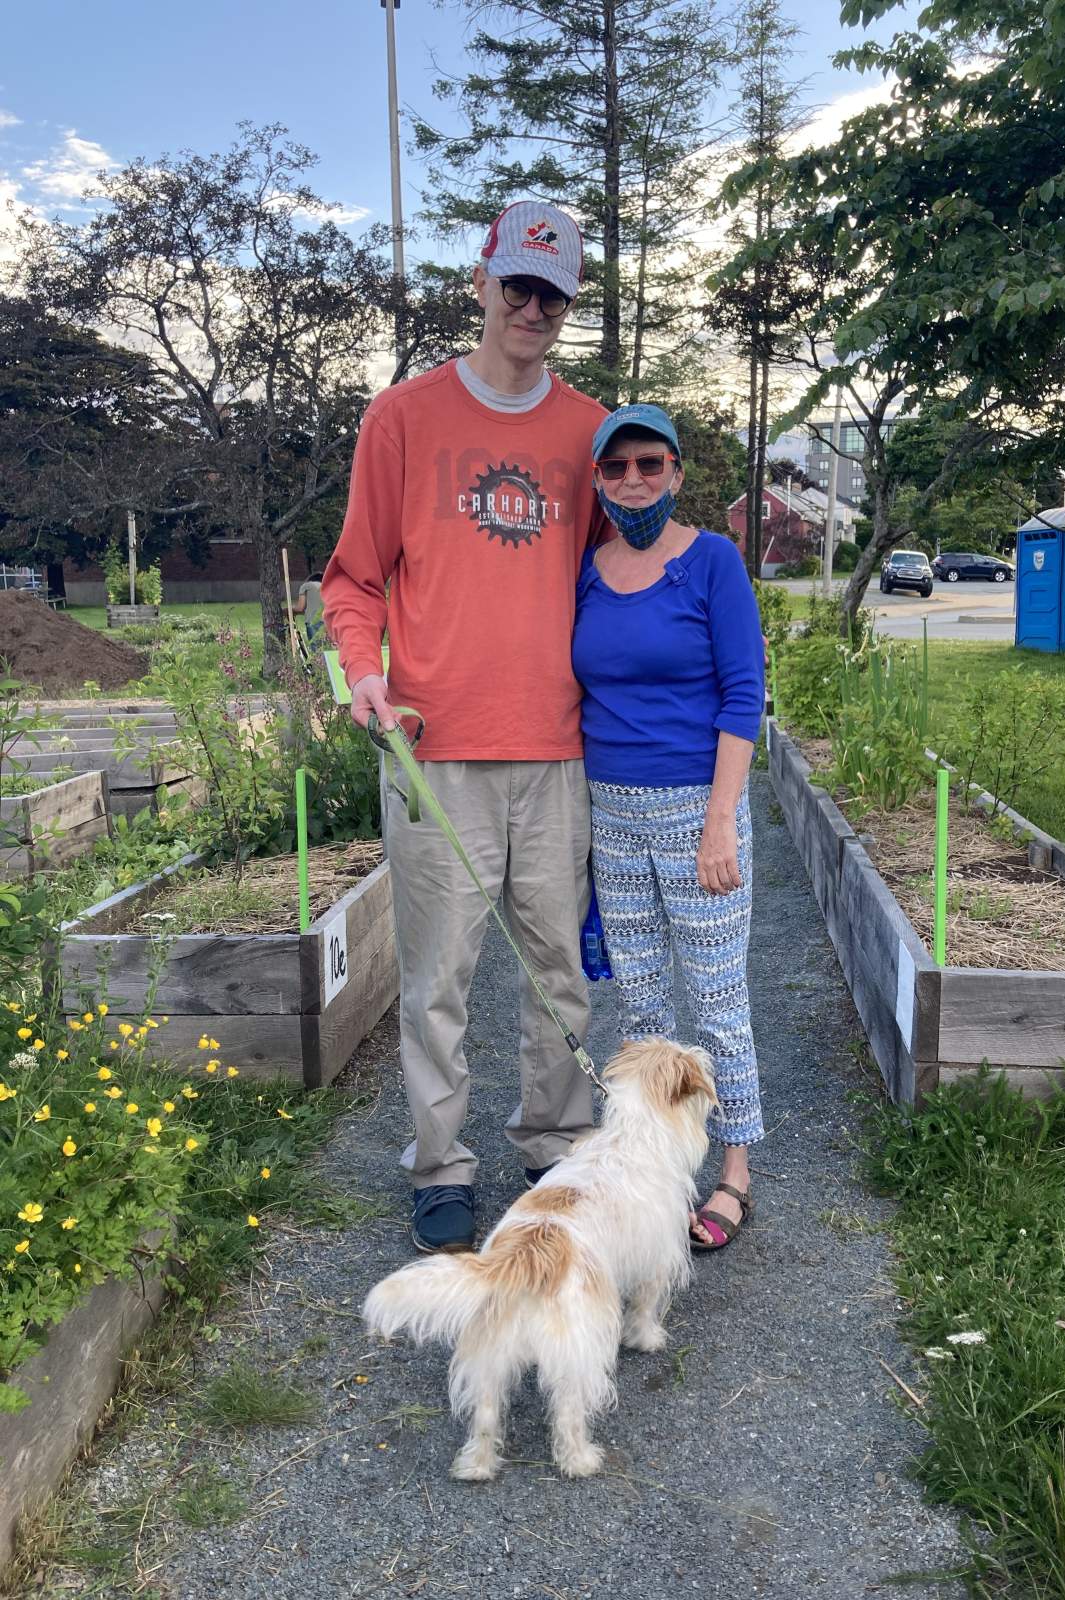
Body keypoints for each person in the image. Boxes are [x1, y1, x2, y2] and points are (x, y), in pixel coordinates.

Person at [322, 202, 607, 1255]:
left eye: (553, 294)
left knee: (557, 970)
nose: (532, 308)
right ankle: (440, 1164)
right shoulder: (402, 418)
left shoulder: (589, 432)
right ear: (481, 282)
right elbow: (354, 577)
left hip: (559, 749)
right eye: (517, 285)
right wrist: (364, 671)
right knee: (438, 977)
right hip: (434, 746)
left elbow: (616, 577)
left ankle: (556, 1144)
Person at [571, 403, 766, 1251]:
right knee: (642, 1004)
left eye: (650, 464)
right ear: (599, 481)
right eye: (616, 469)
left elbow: (743, 693)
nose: (633, 482)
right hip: (610, 812)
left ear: (678, 472)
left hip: (697, 810)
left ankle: (734, 1170)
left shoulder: (712, 562)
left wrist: (721, 819)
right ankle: (653, 1165)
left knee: (717, 1000)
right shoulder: (587, 569)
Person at [290, 565, 327, 647]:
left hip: (312, 622)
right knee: (327, 649)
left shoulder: (306, 586)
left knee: (316, 649)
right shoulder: (327, 587)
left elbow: (300, 608)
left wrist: (289, 610)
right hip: (328, 622)